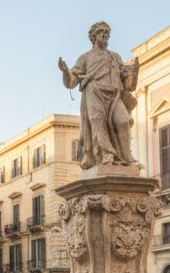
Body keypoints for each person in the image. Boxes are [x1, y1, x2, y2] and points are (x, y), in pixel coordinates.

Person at [58, 20, 138, 168]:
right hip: (94, 93)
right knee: (98, 122)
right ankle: (107, 155)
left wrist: (133, 72)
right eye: (101, 32)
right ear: (94, 36)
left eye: (107, 33)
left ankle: (126, 155)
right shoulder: (85, 58)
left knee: (123, 121)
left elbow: (126, 80)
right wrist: (65, 71)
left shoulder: (115, 57)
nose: (105, 35)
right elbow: (72, 81)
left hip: (114, 95)